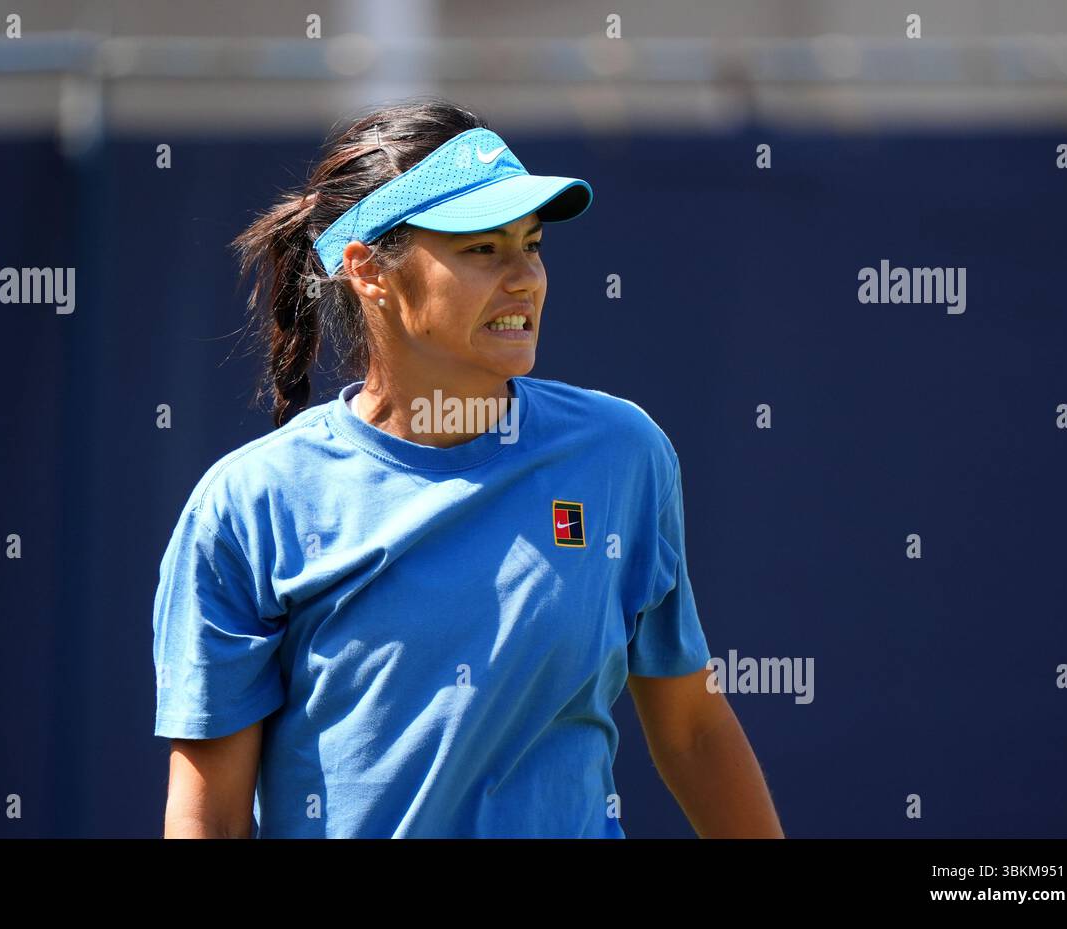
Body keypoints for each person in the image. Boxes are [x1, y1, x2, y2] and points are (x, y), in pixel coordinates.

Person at [154, 97, 783, 838]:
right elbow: (211, 818)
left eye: (533, 243)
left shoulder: (622, 455)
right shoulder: (248, 505)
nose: (525, 278)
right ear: (367, 271)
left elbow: (694, 728)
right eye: (483, 249)